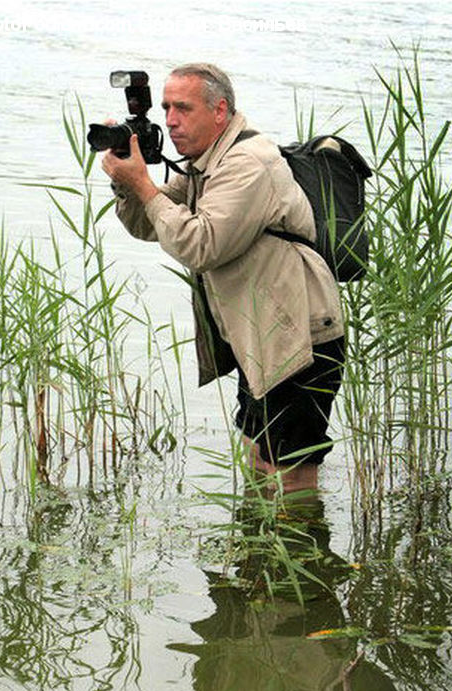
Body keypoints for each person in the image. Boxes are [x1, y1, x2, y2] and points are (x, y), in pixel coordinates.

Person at [101, 62, 345, 494]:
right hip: (262, 336)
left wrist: (143, 185)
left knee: (289, 470)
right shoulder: (204, 165)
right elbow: (148, 224)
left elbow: (200, 244)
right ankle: (260, 556)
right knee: (258, 453)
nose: (171, 120)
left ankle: (307, 547)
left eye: (183, 108)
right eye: (166, 108)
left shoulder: (246, 164)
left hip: (300, 336)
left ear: (220, 111)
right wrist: (127, 182)